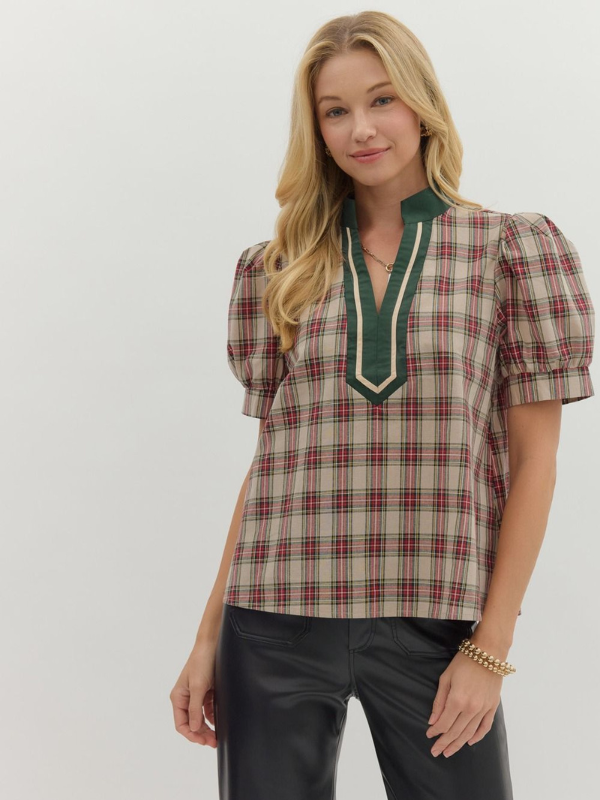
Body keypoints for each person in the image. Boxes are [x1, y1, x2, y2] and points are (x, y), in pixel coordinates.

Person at [170, 11, 595, 800]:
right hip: (273, 622)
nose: (361, 129)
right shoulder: (279, 268)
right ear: (317, 130)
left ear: (422, 106)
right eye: (336, 111)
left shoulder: (510, 251)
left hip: (437, 626)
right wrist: (206, 639)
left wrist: (490, 648)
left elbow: (535, 463)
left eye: (382, 100)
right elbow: (271, 468)